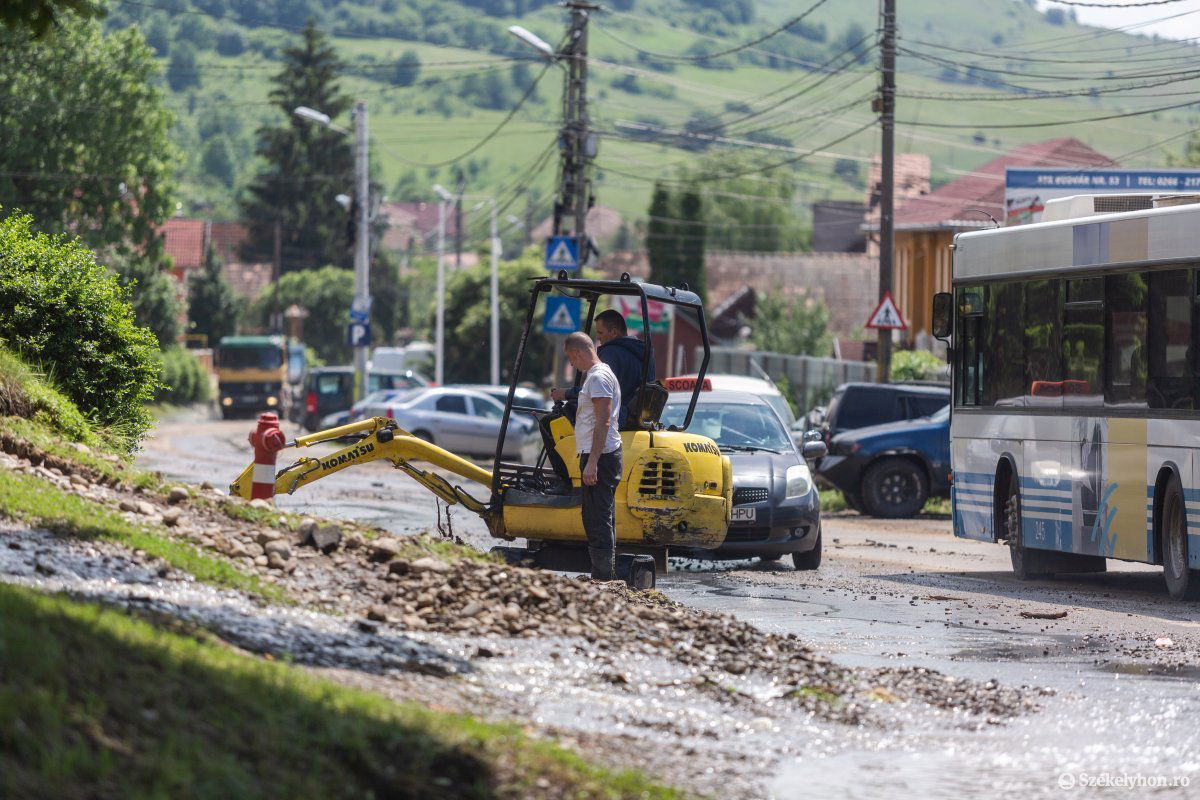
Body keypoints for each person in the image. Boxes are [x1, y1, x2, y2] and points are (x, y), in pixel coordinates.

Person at [538, 310, 654, 485]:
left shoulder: (611, 353)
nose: (598, 338)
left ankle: (564, 480)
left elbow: (599, 391)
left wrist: (566, 393)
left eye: (600, 332)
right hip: (632, 414)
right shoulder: (643, 352)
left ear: (613, 332)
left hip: (618, 416)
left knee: (548, 422)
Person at [563, 331, 622, 580]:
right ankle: (605, 575)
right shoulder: (598, 375)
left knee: (597, 518)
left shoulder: (598, 377)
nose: (571, 364)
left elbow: (603, 420)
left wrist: (593, 462)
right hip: (601, 453)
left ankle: (603, 578)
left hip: (601, 455)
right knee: (599, 515)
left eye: (570, 358)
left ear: (578, 352)